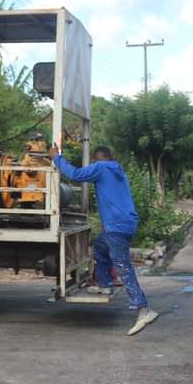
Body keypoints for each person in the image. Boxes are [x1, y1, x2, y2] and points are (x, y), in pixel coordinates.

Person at [50, 143, 159, 336]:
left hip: (117, 226)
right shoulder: (117, 169)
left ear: (96, 159)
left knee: (122, 265)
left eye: (93, 161)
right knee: (99, 247)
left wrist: (56, 158)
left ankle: (143, 309)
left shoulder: (100, 168)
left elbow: (75, 174)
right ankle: (105, 283)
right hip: (124, 224)